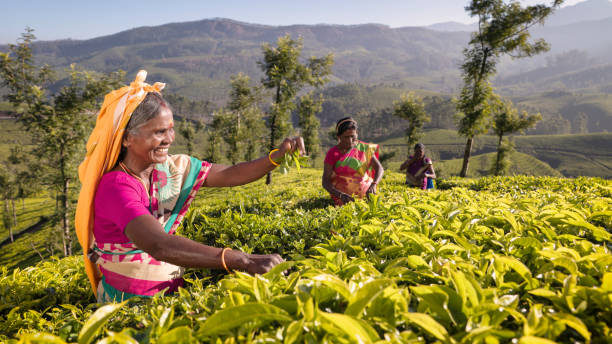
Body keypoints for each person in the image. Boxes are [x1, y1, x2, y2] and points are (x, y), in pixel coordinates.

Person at [75, 71, 303, 302]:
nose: (170, 138)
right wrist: (242, 260)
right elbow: (157, 244)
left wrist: (276, 156)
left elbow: (229, 173)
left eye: (171, 129)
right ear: (126, 138)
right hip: (126, 305)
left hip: (170, 294)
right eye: (159, 132)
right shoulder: (116, 186)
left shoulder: (172, 168)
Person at [322, 117, 384, 206]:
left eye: (353, 137)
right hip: (342, 199)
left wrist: (374, 185)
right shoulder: (333, 153)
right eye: (346, 137)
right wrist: (340, 195)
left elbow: (379, 168)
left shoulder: (364, 149)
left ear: (357, 134)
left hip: (366, 195)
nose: (350, 141)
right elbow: (325, 182)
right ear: (338, 137)